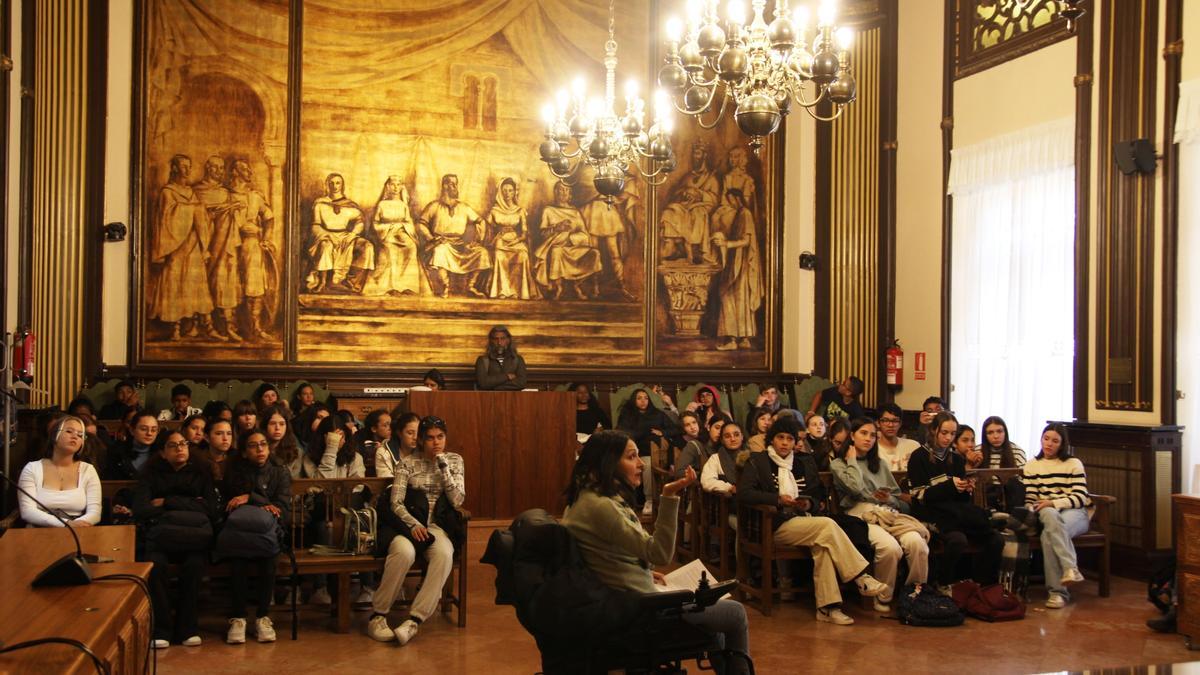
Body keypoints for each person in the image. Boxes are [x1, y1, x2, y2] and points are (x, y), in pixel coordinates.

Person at [561, 431, 750, 673]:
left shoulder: (588, 497)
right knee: (735, 613)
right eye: (632, 457)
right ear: (608, 462)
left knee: (717, 627)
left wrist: (644, 572)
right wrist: (669, 495)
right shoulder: (600, 506)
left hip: (626, 598)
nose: (641, 464)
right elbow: (659, 553)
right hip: (641, 611)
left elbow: (605, 555)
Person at [737, 417, 888, 625]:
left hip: (805, 521)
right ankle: (860, 576)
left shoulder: (802, 462)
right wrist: (777, 499)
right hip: (773, 523)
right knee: (827, 525)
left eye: (789, 439)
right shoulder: (757, 461)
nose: (784, 443)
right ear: (772, 439)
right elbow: (744, 494)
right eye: (780, 438)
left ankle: (828, 608)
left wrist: (807, 504)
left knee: (824, 545)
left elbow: (817, 496)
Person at [368, 416, 465, 645]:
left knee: (444, 554)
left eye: (440, 437)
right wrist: (413, 524)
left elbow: (458, 500)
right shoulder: (408, 463)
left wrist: (443, 468)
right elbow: (396, 503)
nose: (436, 443)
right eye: (430, 438)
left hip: (437, 526)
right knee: (404, 553)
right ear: (421, 440)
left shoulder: (454, 461)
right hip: (407, 525)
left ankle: (414, 621)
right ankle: (378, 616)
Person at [830, 418, 929, 614]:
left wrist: (889, 499)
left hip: (887, 512)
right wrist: (851, 460)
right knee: (890, 548)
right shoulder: (839, 464)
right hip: (859, 514)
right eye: (863, 433)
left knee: (917, 544)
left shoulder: (880, 464)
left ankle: (914, 594)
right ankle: (883, 596)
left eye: (873, 435)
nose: (869, 439)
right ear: (852, 436)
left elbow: (897, 498)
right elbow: (856, 488)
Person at [133, 429, 218, 647]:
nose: (180, 448)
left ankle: (187, 629)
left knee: (194, 565)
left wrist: (167, 502)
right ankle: (161, 629)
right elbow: (141, 509)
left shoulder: (202, 471)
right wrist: (191, 503)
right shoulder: (150, 473)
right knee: (155, 565)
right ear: (162, 452)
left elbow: (210, 508)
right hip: (162, 536)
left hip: (193, 536)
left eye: (183, 444)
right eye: (173, 445)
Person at [906, 411, 1003, 589]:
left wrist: (966, 488)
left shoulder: (956, 459)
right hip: (930, 514)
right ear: (934, 430)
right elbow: (919, 495)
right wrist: (951, 486)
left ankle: (983, 585)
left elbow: (960, 499)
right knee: (958, 540)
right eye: (944, 433)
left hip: (954, 513)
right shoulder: (918, 456)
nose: (948, 438)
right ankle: (942, 583)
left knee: (996, 539)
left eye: (952, 434)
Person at [222, 430, 290, 644]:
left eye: (263, 444)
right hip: (240, 532)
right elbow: (230, 504)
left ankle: (262, 616)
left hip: (271, 532)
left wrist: (251, 497)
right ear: (243, 451)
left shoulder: (280, 471)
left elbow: (282, 508)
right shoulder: (235, 471)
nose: (260, 449)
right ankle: (238, 617)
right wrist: (263, 503)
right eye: (253, 445)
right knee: (238, 558)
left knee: (269, 557)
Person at [149, 154, 219, 341]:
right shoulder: (168, 192)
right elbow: (166, 218)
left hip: (194, 245)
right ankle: (175, 328)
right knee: (175, 285)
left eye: (189, 166)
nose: (187, 170)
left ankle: (199, 325)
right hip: (176, 247)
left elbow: (200, 214)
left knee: (196, 284)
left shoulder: (191, 192)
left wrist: (204, 214)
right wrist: (194, 210)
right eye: (183, 166)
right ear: (174, 169)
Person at [1025, 422, 1092, 609]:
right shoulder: (1032, 466)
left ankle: (1057, 593)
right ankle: (1070, 569)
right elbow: (1030, 496)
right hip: (1046, 512)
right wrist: (1038, 507)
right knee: (1048, 521)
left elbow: (1079, 497)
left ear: (1062, 444)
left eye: (1055, 441)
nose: (1049, 444)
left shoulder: (1073, 463)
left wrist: (1053, 502)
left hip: (1075, 513)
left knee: (1049, 535)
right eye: (1046, 439)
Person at [18, 416, 102, 527]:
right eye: (69, 431)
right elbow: (27, 511)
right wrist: (66, 524)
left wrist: (75, 525)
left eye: (80, 435)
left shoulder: (88, 470)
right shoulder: (32, 468)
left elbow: (95, 513)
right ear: (54, 435)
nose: (75, 436)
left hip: (79, 530)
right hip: (38, 531)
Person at [228, 159, 278, 339]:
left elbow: (269, 217)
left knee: (254, 283)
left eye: (249, 169)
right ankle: (230, 326)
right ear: (235, 172)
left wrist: (265, 237)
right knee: (230, 283)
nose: (249, 172)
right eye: (244, 169)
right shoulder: (226, 195)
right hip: (229, 244)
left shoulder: (255, 196)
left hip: (251, 244)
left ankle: (256, 326)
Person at [417, 173, 490, 298]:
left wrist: (479, 239)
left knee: (482, 252)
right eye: (451, 183)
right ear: (444, 186)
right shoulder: (434, 206)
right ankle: (445, 286)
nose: (454, 186)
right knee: (440, 251)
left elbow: (481, 221)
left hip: (460, 244)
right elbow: (420, 224)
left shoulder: (464, 207)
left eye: (455, 183)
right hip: (441, 242)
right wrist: (431, 238)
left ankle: (470, 286)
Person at [194, 155, 240, 342]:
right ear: (208, 168)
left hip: (224, 245)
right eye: (216, 168)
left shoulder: (225, 192)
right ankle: (203, 324)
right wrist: (214, 212)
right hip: (203, 245)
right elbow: (195, 216)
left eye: (222, 168)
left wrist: (232, 209)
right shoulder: (196, 191)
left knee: (223, 282)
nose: (220, 172)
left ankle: (227, 325)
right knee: (201, 282)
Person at [710, 187, 762, 351]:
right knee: (737, 299)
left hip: (742, 264)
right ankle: (740, 338)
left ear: (737, 199)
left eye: (731, 199)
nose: (730, 203)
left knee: (733, 298)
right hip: (737, 262)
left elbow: (746, 241)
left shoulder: (744, 213)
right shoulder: (740, 214)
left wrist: (726, 244)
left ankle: (736, 339)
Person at [617, 388, 683, 514]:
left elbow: (676, 429)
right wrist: (645, 432)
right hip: (634, 451)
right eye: (639, 398)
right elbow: (624, 433)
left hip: (655, 452)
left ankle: (650, 500)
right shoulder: (627, 414)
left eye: (646, 398)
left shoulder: (657, 414)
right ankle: (633, 500)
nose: (643, 401)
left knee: (648, 463)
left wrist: (662, 432)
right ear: (634, 400)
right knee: (637, 464)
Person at [307, 172, 374, 294]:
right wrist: (327, 235)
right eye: (331, 183)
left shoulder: (349, 205)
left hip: (345, 235)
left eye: (338, 183)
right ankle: (322, 282)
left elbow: (360, 222)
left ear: (342, 185)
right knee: (326, 246)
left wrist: (352, 234)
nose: (335, 186)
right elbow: (315, 226)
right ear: (327, 185)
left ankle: (353, 282)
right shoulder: (320, 204)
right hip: (326, 235)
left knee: (367, 246)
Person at [534, 181, 603, 300]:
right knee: (557, 251)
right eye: (561, 189)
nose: (563, 192)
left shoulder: (575, 212)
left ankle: (578, 285)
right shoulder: (548, 210)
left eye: (566, 190)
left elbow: (585, 235)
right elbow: (542, 234)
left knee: (595, 253)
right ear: (555, 192)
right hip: (556, 246)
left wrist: (570, 238)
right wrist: (557, 228)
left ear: (570, 193)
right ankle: (558, 288)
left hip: (574, 247)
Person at [364, 175, 430, 297]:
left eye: (398, 185)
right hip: (386, 235)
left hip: (402, 233)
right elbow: (375, 224)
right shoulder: (382, 205)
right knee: (389, 250)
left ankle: (408, 286)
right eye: (393, 184)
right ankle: (391, 286)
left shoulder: (403, 205)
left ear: (401, 187)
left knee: (411, 248)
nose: (395, 187)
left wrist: (402, 228)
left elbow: (408, 222)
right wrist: (390, 228)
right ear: (388, 186)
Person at [659, 141, 719, 264]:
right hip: (685, 206)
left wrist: (700, 194)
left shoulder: (711, 178)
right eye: (693, 154)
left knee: (697, 213)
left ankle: (694, 251)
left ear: (704, 155)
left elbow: (715, 199)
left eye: (697, 154)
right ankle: (676, 249)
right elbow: (677, 193)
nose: (695, 157)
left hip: (701, 207)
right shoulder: (688, 177)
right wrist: (685, 192)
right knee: (669, 211)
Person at [486, 177, 539, 300]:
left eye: (510, 190)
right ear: (500, 192)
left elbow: (525, 233)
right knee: (499, 256)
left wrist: (517, 240)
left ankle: (516, 290)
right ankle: (502, 291)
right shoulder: (495, 210)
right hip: (500, 240)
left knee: (522, 255)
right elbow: (488, 230)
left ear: (515, 192)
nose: (507, 193)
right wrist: (496, 235)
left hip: (516, 240)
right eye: (504, 190)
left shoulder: (520, 211)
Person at [978, 415, 1027, 510]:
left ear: (1005, 432)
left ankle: (1012, 517)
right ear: (985, 435)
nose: (996, 436)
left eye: (999, 431)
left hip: (1010, 496)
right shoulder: (978, 451)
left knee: (1014, 483)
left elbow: (1023, 480)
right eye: (990, 432)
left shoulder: (1017, 451)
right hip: (987, 495)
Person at [261, 404, 313, 478]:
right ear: (265, 426)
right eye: (272, 423)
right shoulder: (259, 450)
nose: (277, 428)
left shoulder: (296, 452)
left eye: (282, 424)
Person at [105, 412, 160, 480]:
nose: (149, 433)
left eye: (154, 430)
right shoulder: (116, 452)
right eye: (143, 429)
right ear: (132, 430)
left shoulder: (161, 453)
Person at [474, 325, 528, 391]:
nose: (499, 342)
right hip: (489, 399)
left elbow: (521, 383)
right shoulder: (482, 360)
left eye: (502, 338)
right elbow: (483, 383)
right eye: (496, 339)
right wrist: (507, 376)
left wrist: (496, 387)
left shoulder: (517, 360)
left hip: (512, 400)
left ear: (508, 340)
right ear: (491, 341)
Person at [314, 412, 366, 479]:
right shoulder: (310, 457)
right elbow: (318, 486)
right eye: (332, 438)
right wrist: (331, 449)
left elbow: (357, 486)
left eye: (340, 437)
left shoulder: (355, 457)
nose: (336, 441)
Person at [700, 422, 746, 496]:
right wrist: (729, 487)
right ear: (722, 440)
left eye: (736, 435)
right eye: (727, 436)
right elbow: (707, 481)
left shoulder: (751, 456)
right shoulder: (715, 458)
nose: (733, 439)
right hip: (728, 502)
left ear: (742, 437)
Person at [876, 403, 920, 472]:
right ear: (878, 423)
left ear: (900, 424)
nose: (890, 425)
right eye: (885, 420)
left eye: (895, 421)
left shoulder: (913, 446)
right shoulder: (872, 449)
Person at [377, 412, 420, 479]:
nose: (415, 437)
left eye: (418, 433)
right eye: (410, 433)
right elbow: (387, 483)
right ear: (399, 433)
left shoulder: (424, 450)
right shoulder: (384, 452)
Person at [351, 410, 390, 477]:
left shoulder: (394, 443)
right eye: (385, 425)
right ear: (374, 429)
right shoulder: (365, 446)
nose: (390, 428)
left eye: (391, 424)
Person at [671, 411, 708, 479]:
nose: (692, 427)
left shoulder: (705, 436)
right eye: (687, 425)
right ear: (682, 427)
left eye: (694, 422)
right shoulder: (677, 443)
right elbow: (673, 467)